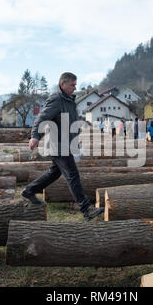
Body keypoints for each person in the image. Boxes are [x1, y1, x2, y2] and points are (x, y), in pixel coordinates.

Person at [20, 72, 104, 221]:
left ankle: (29, 190)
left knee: (54, 173)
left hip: (67, 143)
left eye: (75, 85)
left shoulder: (69, 101)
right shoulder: (57, 99)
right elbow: (41, 118)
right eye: (72, 85)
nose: (74, 88)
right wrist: (35, 136)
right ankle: (86, 209)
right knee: (73, 175)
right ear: (63, 84)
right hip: (58, 144)